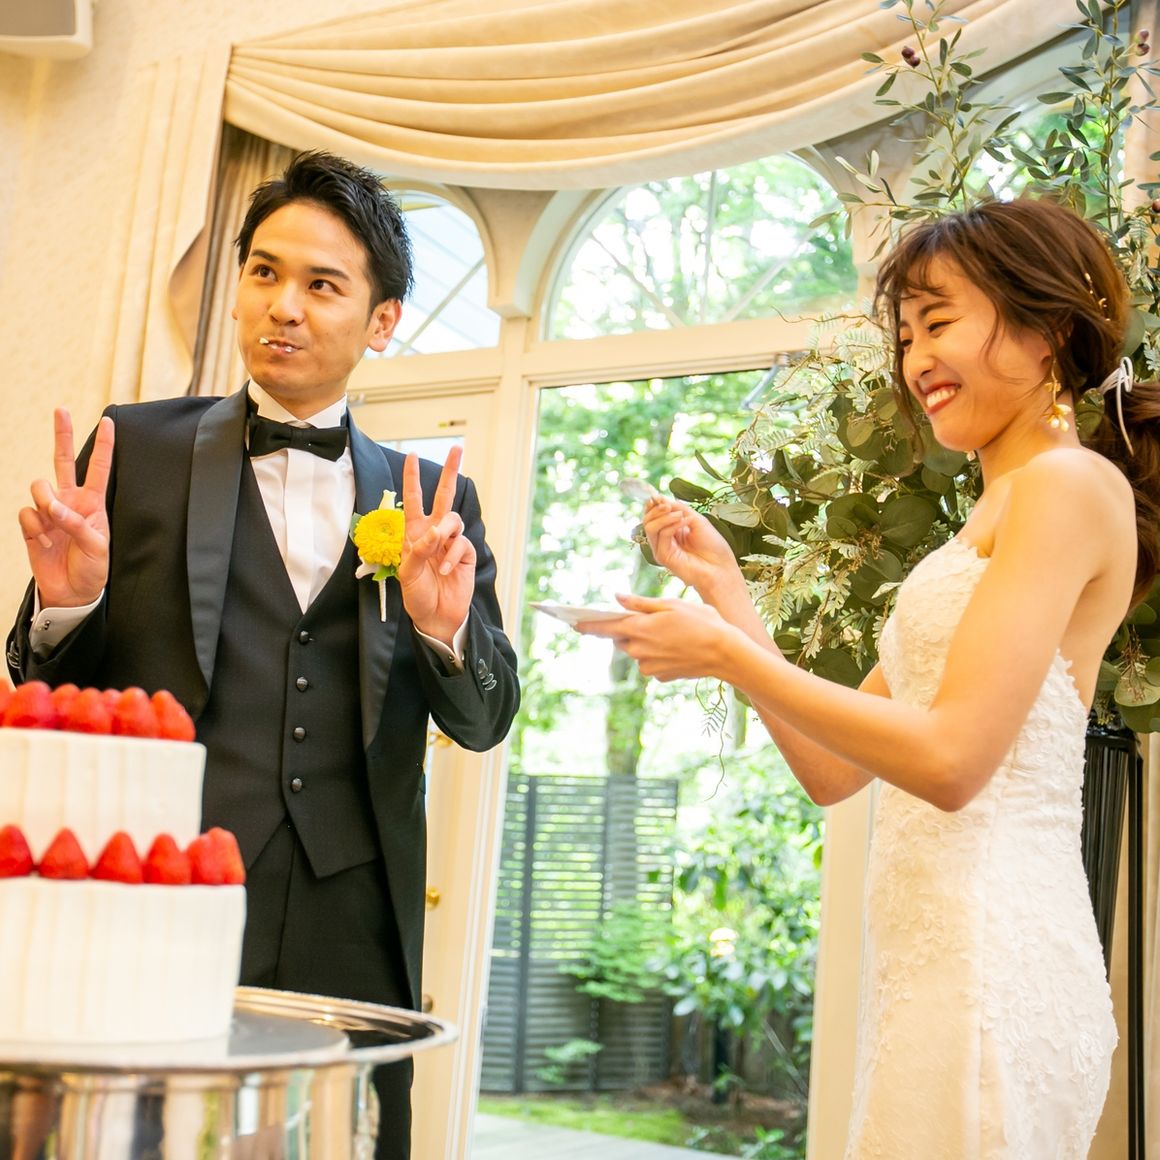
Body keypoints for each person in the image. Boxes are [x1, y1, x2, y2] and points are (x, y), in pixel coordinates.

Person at [580, 198, 1160, 1157]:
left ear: (1049, 329)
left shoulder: (1066, 486)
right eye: (905, 335)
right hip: (930, 966)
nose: (914, 358)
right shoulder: (982, 524)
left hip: (990, 961)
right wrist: (728, 593)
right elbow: (832, 770)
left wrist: (723, 654)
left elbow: (953, 763)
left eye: (938, 322)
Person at [6, 150, 519, 1159]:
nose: (282, 306)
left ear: (381, 320)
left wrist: (442, 626)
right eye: (264, 272)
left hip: (352, 910)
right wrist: (70, 601)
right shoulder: (136, 451)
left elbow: (483, 719)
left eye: (322, 284)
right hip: (167, 890)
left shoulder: (431, 497)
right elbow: (47, 686)